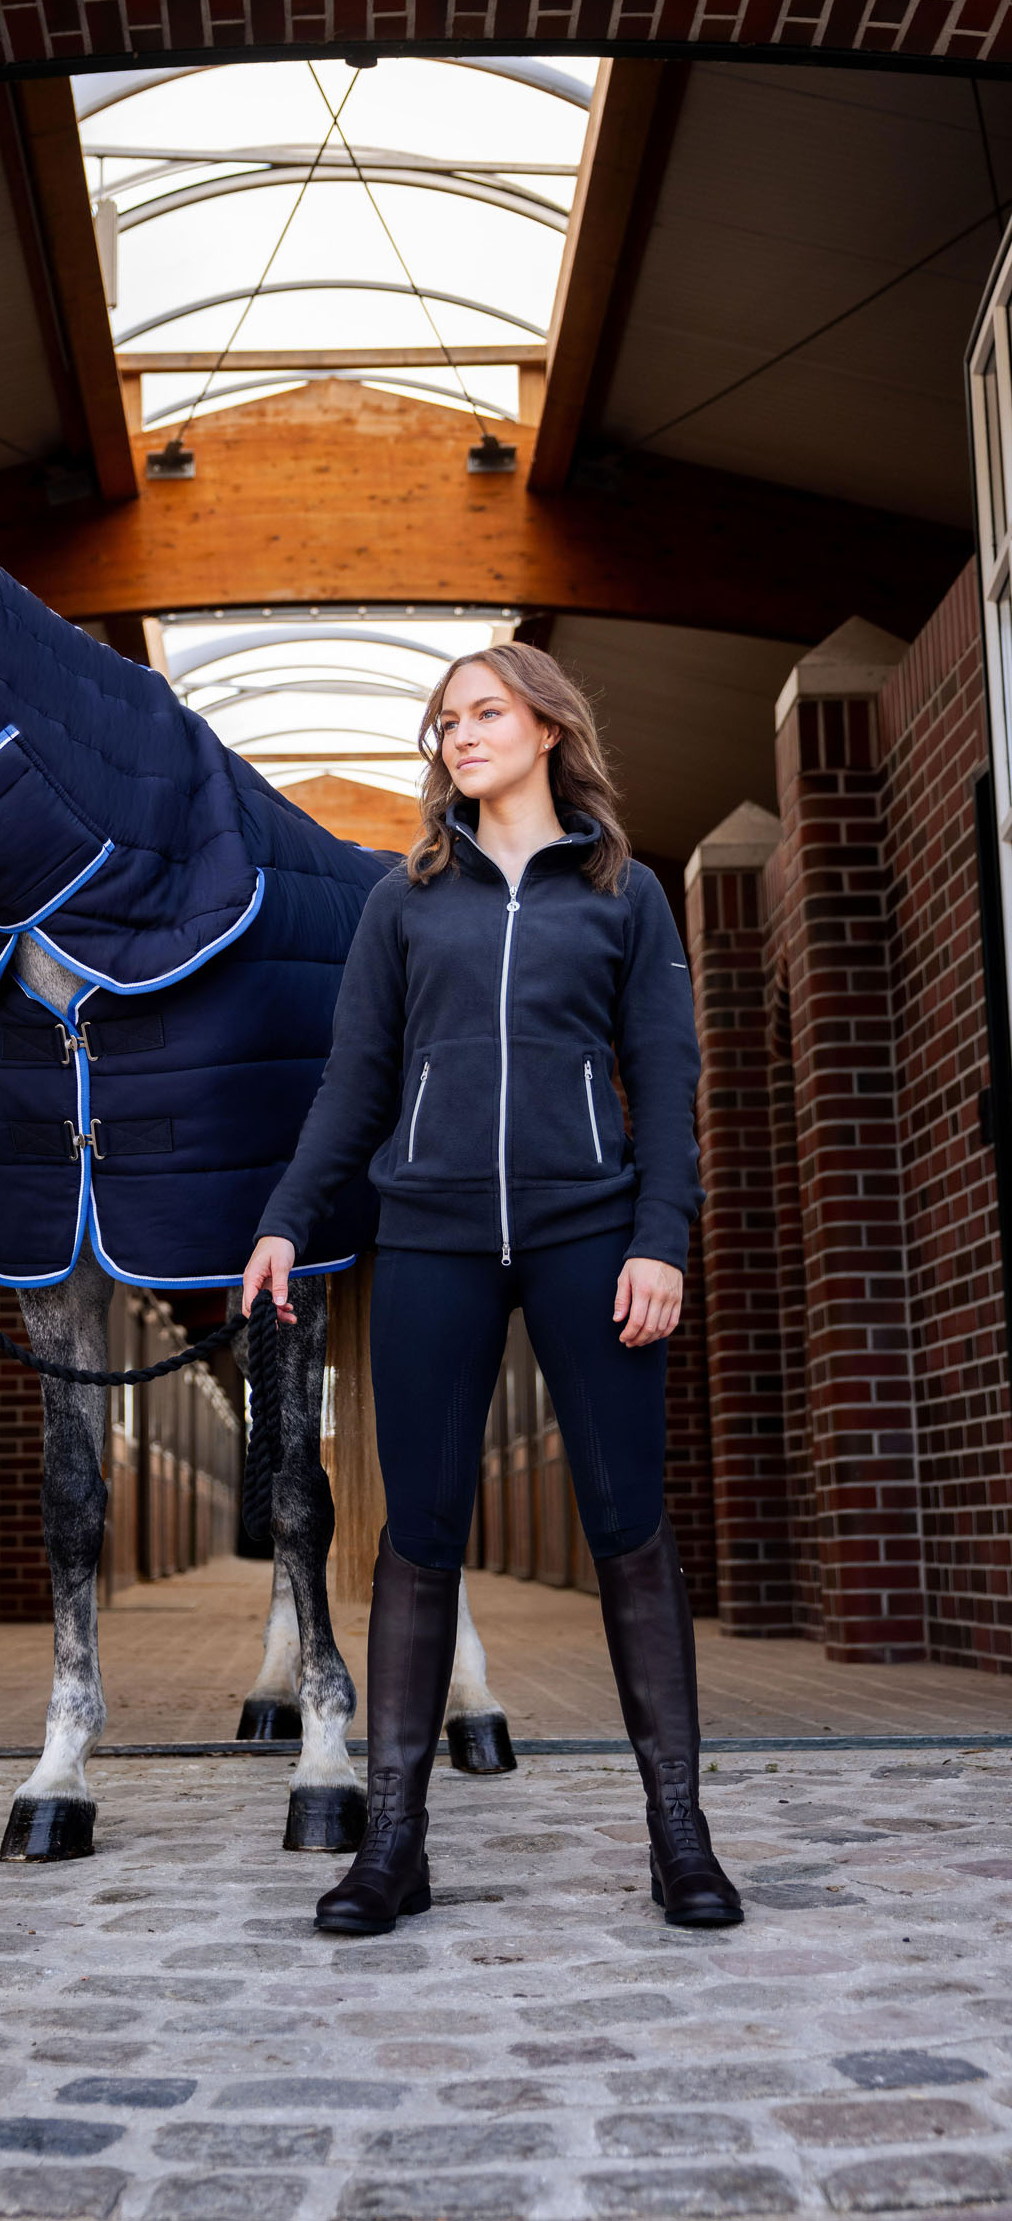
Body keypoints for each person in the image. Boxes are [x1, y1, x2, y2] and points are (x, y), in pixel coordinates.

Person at [242, 643, 743, 1937]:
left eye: (482, 713)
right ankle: (392, 1848)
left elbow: (666, 1081)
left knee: (630, 1523)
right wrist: (289, 1220)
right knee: (420, 1534)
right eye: (443, 722)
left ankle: (679, 1837)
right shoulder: (403, 902)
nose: (457, 737)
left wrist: (662, 1238)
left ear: (546, 726)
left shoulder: (624, 897)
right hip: (433, 1239)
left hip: (591, 1232)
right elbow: (352, 1084)